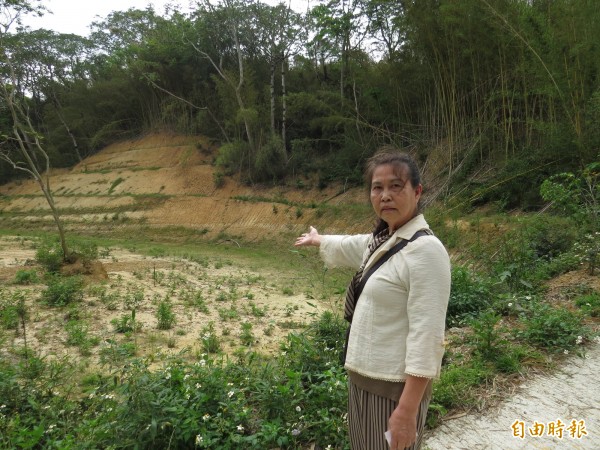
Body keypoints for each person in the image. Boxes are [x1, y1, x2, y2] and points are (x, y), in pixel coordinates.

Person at [294, 150, 451, 450]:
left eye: (396, 186)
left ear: (417, 192)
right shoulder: (383, 240)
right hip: (363, 380)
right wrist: (319, 240)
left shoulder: (426, 251)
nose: (385, 195)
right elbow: (350, 244)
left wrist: (406, 412)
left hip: (393, 390)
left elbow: (427, 336)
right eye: (377, 187)